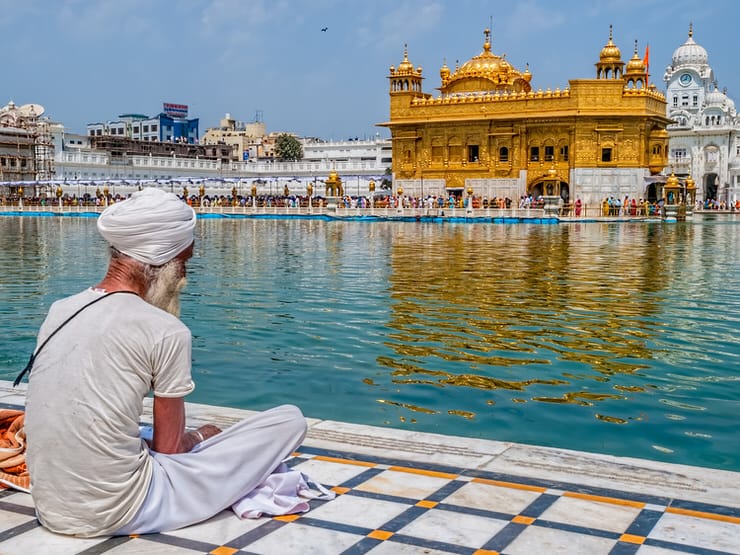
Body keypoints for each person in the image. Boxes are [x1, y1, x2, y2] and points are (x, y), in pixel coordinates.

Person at [23, 188, 307, 537]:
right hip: (121, 508)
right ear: (164, 261)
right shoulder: (165, 330)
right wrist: (199, 436)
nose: (183, 278)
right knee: (289, 421)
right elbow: (169, 450)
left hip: (51, 506)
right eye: (183, 263)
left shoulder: (60, 309)